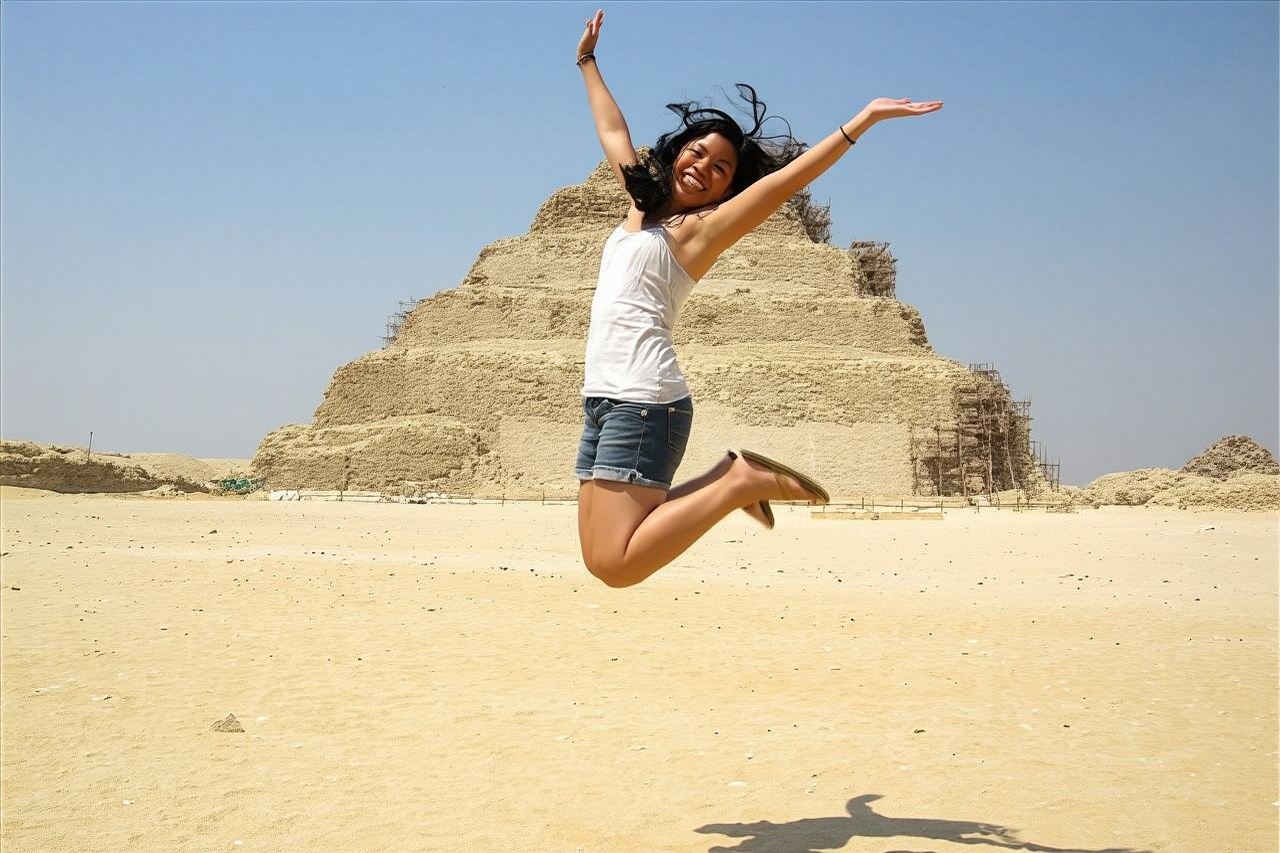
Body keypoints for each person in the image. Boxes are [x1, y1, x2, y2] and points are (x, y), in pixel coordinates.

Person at [573, 8, 942, 588]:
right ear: (677, 151)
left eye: (722, 169)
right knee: (599, 557)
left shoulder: (701, 229)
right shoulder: (640, 207)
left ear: (728, 186)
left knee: (618, 566)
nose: (704, 169)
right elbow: (614, 132)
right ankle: (732, 475)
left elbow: (785, 182)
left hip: (645, 399)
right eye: (697, 153)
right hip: (602, 397)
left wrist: (862, 120)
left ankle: (741, 480)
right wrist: (587, 62)